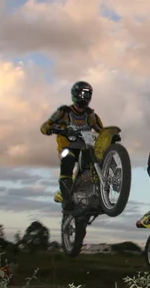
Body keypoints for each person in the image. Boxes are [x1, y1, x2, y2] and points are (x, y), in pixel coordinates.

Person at [40, 81, 104, 211]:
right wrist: (57, 129)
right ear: (74, 94)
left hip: (86, 148)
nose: (84, 97)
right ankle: (67, 197)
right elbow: (45, 127)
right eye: (81, 93)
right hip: (67, 147)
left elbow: (101, 131)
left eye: (87, 94)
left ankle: (99, 197)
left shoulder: (91, 115)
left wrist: (110, 137)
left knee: (94, 167)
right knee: (67, 159)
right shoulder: (64, 112)